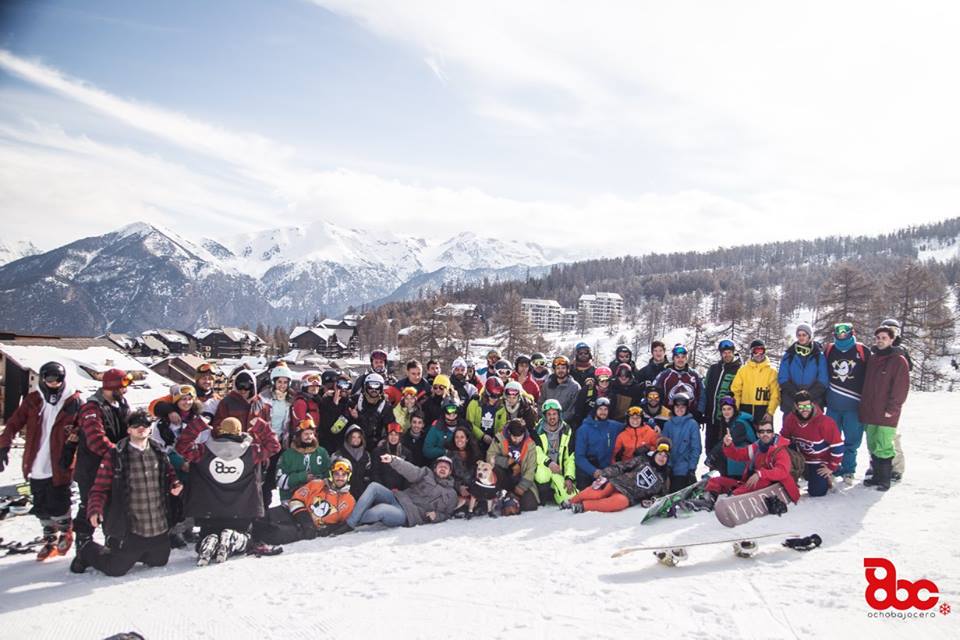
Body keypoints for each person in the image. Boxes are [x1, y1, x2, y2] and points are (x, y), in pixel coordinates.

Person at [70, 410, 183, 576]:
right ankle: (86, 549)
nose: (141, 428)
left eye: (145, 425)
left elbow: (170, 475)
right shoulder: (117, 455)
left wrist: (175, 484)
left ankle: (139, 551)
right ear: (129, 429)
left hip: (157, 526)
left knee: (159, 561)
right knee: (115, 569)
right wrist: (95, 509)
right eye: (136, 425)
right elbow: (99, 488)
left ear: (150, 429)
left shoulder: (158, 452)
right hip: (131, 527)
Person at [0, 361, 81, 561]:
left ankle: (65, 532)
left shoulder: (73, 401)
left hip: (60, 461)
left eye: (58, 380)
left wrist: (73, 445)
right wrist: (4, 445)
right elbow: (13, 423)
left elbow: (82, 427)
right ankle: (49, 539)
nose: (54, 384)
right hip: (35, 461)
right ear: (43, 379)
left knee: (58, 501)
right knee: (41, 505)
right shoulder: (33, 400)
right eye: (50, 380)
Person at [176, 416, 282, 565]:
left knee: (207, 535)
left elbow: (182, 446)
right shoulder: (252, 451)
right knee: (245, 539)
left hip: (209, 511)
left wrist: (198, 424)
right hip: (242, 510)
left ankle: (208, 540)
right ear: (240, 433)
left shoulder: (202, 451)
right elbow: (274, 446)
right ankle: (233, 538)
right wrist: (260, 425)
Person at [73, 368, 131, 558]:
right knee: (89, 506)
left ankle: (113, 541)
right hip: (92, 469)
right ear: (112, 386)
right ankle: (83, 546)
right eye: (123, 386)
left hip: (115, 468)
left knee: (115, 506)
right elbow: (96, 440)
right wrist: (121, 453)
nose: (125, 391)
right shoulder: (92, 408)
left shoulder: (120, 405)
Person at [336, 455, 458, 533]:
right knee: (374, 486)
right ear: (435, 468)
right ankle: (348, 522)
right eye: (440, 466)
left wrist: (436, 516)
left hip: (407, 515)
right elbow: (410, 469)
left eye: (446, 467)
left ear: (450, 472)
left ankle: (344, 520)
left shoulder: (451, 494)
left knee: (381, 510)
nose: (443, 469)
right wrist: (393, 460)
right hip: (398, 498)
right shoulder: (426, 473)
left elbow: (447, 514)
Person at [704, 415, 800, 504]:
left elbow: (782, 471)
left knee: (760, 482)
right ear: (758, 434)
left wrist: (760, 474)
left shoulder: (780, 449)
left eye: (768, 431)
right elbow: (737, 455)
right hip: (749, 483)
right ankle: (708, 500)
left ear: (773, 433)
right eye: (762, 432)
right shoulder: (756, 447)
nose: (765, 434)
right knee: (716, 480)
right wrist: (729, 445)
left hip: (773, 485)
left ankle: (733, 497)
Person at [149, 384, 201, 547]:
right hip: (172, 467)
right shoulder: (163, 423)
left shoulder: (195, 420)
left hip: (192, 464)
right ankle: (172, 532)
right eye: (183, 399)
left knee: (191, 497)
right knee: (173, 499)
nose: (186, 402)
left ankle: (188, 528)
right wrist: (178, 462)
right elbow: (159, 448)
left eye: (189, 399)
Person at [860, 325, 910, 491]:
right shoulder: (873, 359)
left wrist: (893, 408)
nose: (880, 341)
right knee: (873, 443)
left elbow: (901, 387)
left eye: (884, 338)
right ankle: (875, 476)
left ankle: (885, 479)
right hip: (871, 410)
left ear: (891, 340)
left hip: (886, 412)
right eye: (878, 338)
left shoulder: (898, 360)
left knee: (884, 444)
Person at [564, 442, 671, 514]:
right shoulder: (643, 460)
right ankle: (572, 501)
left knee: (619, 503)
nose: (662, 458)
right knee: (601, 492)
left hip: (629, 496)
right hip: (618, 483)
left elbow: (661, 495)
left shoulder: (663, 478)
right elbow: (622, 466)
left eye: (665, 456)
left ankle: (583, 507)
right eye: (660, 454)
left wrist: (652, 500)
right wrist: (605, 474)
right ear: (654, 454)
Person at [824, 322, 870, 484]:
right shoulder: (829, 349)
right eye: (838, 331)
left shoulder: (861, 350)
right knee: (831, 439)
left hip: (854, 406)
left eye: (845, 331)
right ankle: (833, 468)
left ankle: (848, 470)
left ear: (851, 332)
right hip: (833, 405)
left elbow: (872, 374)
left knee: (852, 440)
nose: (841, 334)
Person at [779, 391, 843, 497]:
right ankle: (799, 475)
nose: (805, 409)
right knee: (785, 447)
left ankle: (832, 474)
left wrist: (831, 467)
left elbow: (838, 447)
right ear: (795, 406)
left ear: (812, 404)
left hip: (820, 460)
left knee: (816, 492)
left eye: (807, 405)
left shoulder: (825, 422)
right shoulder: (791, 418)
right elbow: (783, 437)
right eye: (801, 406)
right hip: (802, 458)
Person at [287, 457, 356, 539]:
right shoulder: (315, 484)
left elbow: (343, 524)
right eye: (336, 474)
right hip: (293, 523)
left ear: (349, 476)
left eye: (344, 474)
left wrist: (329, 529)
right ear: (331, 474)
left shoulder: (349, 501)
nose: (340, 478)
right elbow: (294, 501)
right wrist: (306, 522)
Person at [879, 318, 912, 481]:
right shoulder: (879, 348)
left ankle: (897, 467)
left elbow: (908, 369)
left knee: (892, 436)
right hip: (877, 401)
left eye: (894, 329)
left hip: (892, 402)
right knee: (877, 436)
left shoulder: (900, 350)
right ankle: (877, 465)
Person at [699, 339, 742, 454]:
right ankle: (711, 470)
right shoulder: (713, 369)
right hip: (711, 417)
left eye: (729, 352)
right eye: (724, 352)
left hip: (726, 418)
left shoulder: (739, 370)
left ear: (733, 353)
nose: (727, 355)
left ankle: (724, 471)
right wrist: (703, 411)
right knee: (709, 448)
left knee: (724, 448)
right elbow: (705, 389)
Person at [486, 419, 539, 512]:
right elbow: (490, 457)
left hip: (521, 478)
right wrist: (509, 462)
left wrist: (522, 487)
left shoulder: (530, 444)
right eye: (514, 437)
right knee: (494, 469)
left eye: (520, 437)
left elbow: (531, 469)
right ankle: (499, 496)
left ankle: (510, 498)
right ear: (509, 433)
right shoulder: (499, 438)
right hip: (504, 476)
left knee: (530, 505)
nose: (517, 440)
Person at [276, 418, 331, 504]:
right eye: (306, 434)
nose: (309, 436)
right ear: (298, 435)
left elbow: (329, 475)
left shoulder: (322, 452)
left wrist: (319, 481)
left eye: (311, 434)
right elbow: (280, 481)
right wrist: (301, 477)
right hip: (291, 498)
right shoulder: (287, 455)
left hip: (317, 499)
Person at [778, 322, 829, 413]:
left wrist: (808, 396)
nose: (801, 337)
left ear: (809, 336)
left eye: (804, 335)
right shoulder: (789, 355)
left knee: (812, 426)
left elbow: (823, 379)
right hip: (791, 400)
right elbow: (782, 378)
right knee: (790, 426)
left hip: (814, 400)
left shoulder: (818, 356)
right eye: (799, 335)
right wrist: (796, 394)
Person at [533, 399, 577, 505]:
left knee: (571, 497)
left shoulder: (567, 431)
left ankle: (557, 492)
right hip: (545, 467)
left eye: (554, 414)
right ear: (544, 416)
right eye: (549, 414)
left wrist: (569, 477)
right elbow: (537, 452)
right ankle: (545, 495)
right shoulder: (537, 430)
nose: (552, 417)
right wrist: (549, 463)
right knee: (541, 475)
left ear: (559, 415)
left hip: (559, 470)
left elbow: (570, 457)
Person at [574, 398, 624, 489]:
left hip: (606, 470)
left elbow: (633, 423)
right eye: (600, 409)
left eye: (606, 409)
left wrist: (653, 425)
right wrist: (593, 471)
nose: (603, 412)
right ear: (595, 410)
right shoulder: (584, 429)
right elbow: (579, 457)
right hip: (589, 469)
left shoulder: (614, 426)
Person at [703, 397, 757, 480]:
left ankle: (731, 480)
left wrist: (711, 456)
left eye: (729, 409)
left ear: (734, 409)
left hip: (747, 458)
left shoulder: (740, 423)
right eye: (724, 409)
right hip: (740, 456)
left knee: (724, 452)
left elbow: (727, 441)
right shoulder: (730, 421)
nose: (726, 412)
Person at [731, 339, 780, 424]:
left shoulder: (772, 371)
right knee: (745, 436)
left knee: (764, 436)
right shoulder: (743, 370)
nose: (759, 354)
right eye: (756, 351)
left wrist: (770, 412)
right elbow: (736, 391)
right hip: (745, 410)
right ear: (752, 353)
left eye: (762, 351)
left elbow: (775, 394)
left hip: (764, 412)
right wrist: (736, 409)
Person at [661, 393, 702, 491]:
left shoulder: (692, 424)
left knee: (678, 490)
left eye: (683, 407)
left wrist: (692, 468)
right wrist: (668, 465)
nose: (680, 409)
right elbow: (663, 446)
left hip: (684, 468)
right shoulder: (668, 424)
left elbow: (696, 448)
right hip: (669, 466)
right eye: (677, 407)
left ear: (687, 408)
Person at [346, 373, 393, 452]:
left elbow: (391, 427)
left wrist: (385, 440)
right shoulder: (355, 401)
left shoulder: (386, 406)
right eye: (370, 386)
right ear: (365, 387)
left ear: (381, 388)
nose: (374, 390)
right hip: (354, 443)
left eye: (377, 387)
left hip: (375, 445)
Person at [653, 344, 703, 413]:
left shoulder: (695, 375)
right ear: (673, 358)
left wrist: (699, 412)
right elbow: (654, 393)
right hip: (669, 417)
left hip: (691, 416)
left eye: (683, 357)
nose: (680, 360)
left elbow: (702, 395)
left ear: (686, 358)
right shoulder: (664, 375)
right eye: (677, 357)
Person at [466, 377, 507, 449]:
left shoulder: (502, 407)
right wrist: (482, 436)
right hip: (476, 441)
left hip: (494, 442)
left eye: (498, 396)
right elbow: (469, 423)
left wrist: (496, 439)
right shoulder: (475, 403)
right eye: (492, 396)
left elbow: (502, 426)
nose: (495, 399)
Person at [317, 370, 352, 454]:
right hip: (327, 444)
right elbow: (326, 425)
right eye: (340, 385)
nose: (343, 388)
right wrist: (334, 404)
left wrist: (356, 417)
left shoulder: (350, 403)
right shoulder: (326, 401)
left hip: (343, 444)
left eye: (346, 385)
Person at [446, 425, 481, 507]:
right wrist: (459, 487)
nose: (459, 440)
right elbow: (446, 477)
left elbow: (480, 474)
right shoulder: (449, 455)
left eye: (462, 437)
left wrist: (471, 489)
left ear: (467, 439)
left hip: (473, 489)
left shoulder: (476, 454)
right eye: (456, 437)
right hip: (456, 489)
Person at [336, 425, 373, 500]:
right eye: (353, 437)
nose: (356, 439)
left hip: (362, 495)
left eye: (359, 437)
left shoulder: (366, 455)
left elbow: (370, 474)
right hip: (344, 495)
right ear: (348, 438)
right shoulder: (339, 454)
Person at [372, 422, 412, 491]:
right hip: (382, 491)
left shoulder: (406, 453)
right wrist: (384, 489)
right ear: (387, 436)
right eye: (391, 434)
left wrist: (401, 490)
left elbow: (408, 475)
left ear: (399, 436)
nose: (393, 437)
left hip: (401, 493)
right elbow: (375, 473)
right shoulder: (378, 452)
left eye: (396, 435)